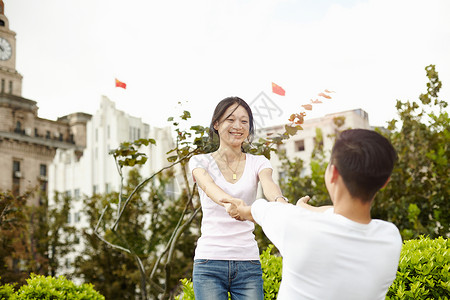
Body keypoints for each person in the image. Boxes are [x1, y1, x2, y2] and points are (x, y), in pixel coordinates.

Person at [223, 128, 402, 300]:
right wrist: (306, 208)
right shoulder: (390, 237)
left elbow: (253, 210)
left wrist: (239, 209)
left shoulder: (297, 226)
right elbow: (338, 217)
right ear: (385, 182)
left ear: (333, 174)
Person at [188, 96, 287, 300]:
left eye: (244, 121)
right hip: (209, 263)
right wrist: (232, 203)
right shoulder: (200, 161)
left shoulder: (259, 162)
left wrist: (282, 204)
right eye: (230, 120)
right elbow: (209, 187)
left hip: (247, 263)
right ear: (216, 124)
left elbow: (269, 185)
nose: (237, 126)